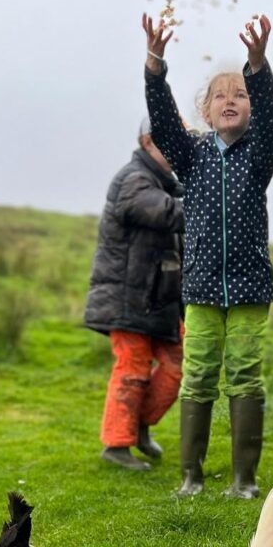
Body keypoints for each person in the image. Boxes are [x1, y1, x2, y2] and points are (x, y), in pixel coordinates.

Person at [143, 11, 273, 499]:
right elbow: (162, 123)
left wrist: (258, 67)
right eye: (220, 95)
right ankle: (191, 476)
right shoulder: (193, 155)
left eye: (239, 94)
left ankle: (244, 480)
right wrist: (155, 66)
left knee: (244, 374)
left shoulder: (260, 152)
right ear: (204, 112)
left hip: (249, 287)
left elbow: (271, 119)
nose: (231, 100)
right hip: (201, 289)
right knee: (198, 376)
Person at [83, 119, 185, 471]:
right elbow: (166, 212)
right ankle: (116, 444)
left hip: (157, 299)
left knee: (179, 364)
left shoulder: (164, 182)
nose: (179, 142)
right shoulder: (134, 179)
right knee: (132, 368)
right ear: (147, 141)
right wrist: (211, 208)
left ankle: (138, 426)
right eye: (170, 136)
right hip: (128, 298)